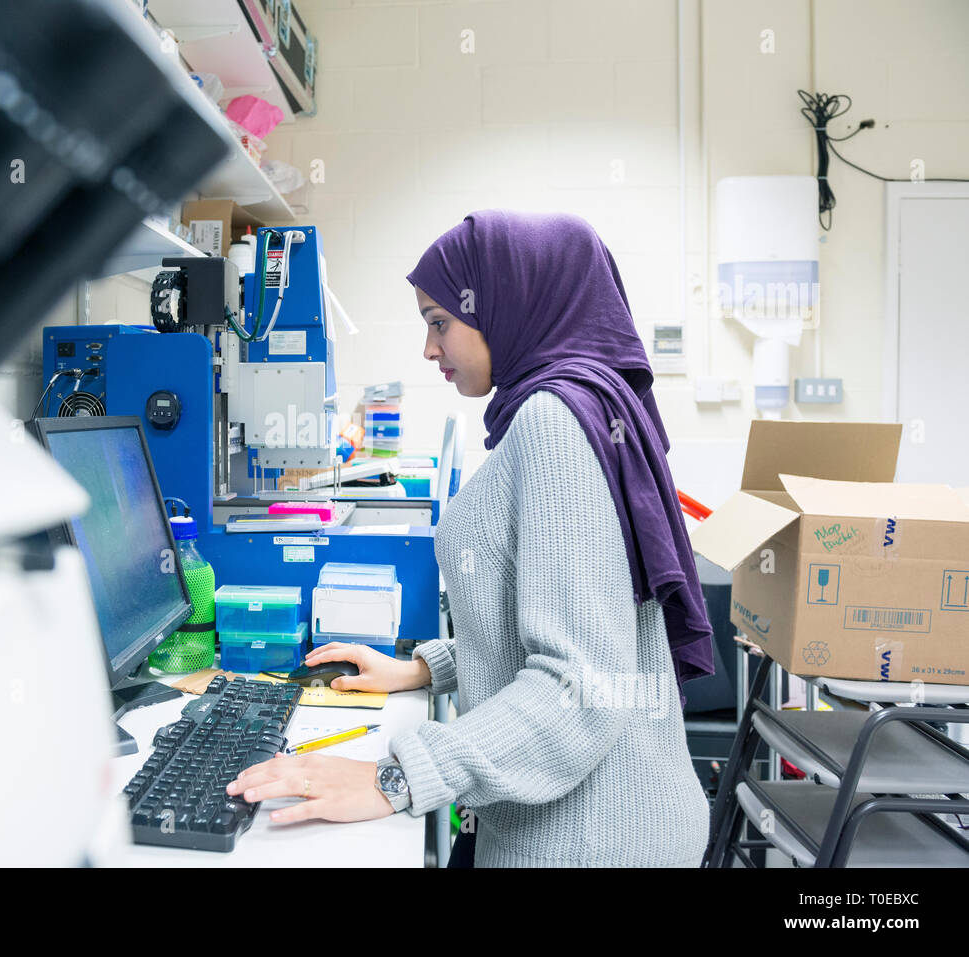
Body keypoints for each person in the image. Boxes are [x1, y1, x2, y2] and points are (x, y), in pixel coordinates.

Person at [227, 210, 714, 867]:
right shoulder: (575, 407)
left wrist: (391, 777)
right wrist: (426, 666)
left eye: (439, 322)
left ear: (508, 302)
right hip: (594, 823)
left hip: (590, 840)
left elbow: (579, 687)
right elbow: (568, 616)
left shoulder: (554, 420)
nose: (430, 349)